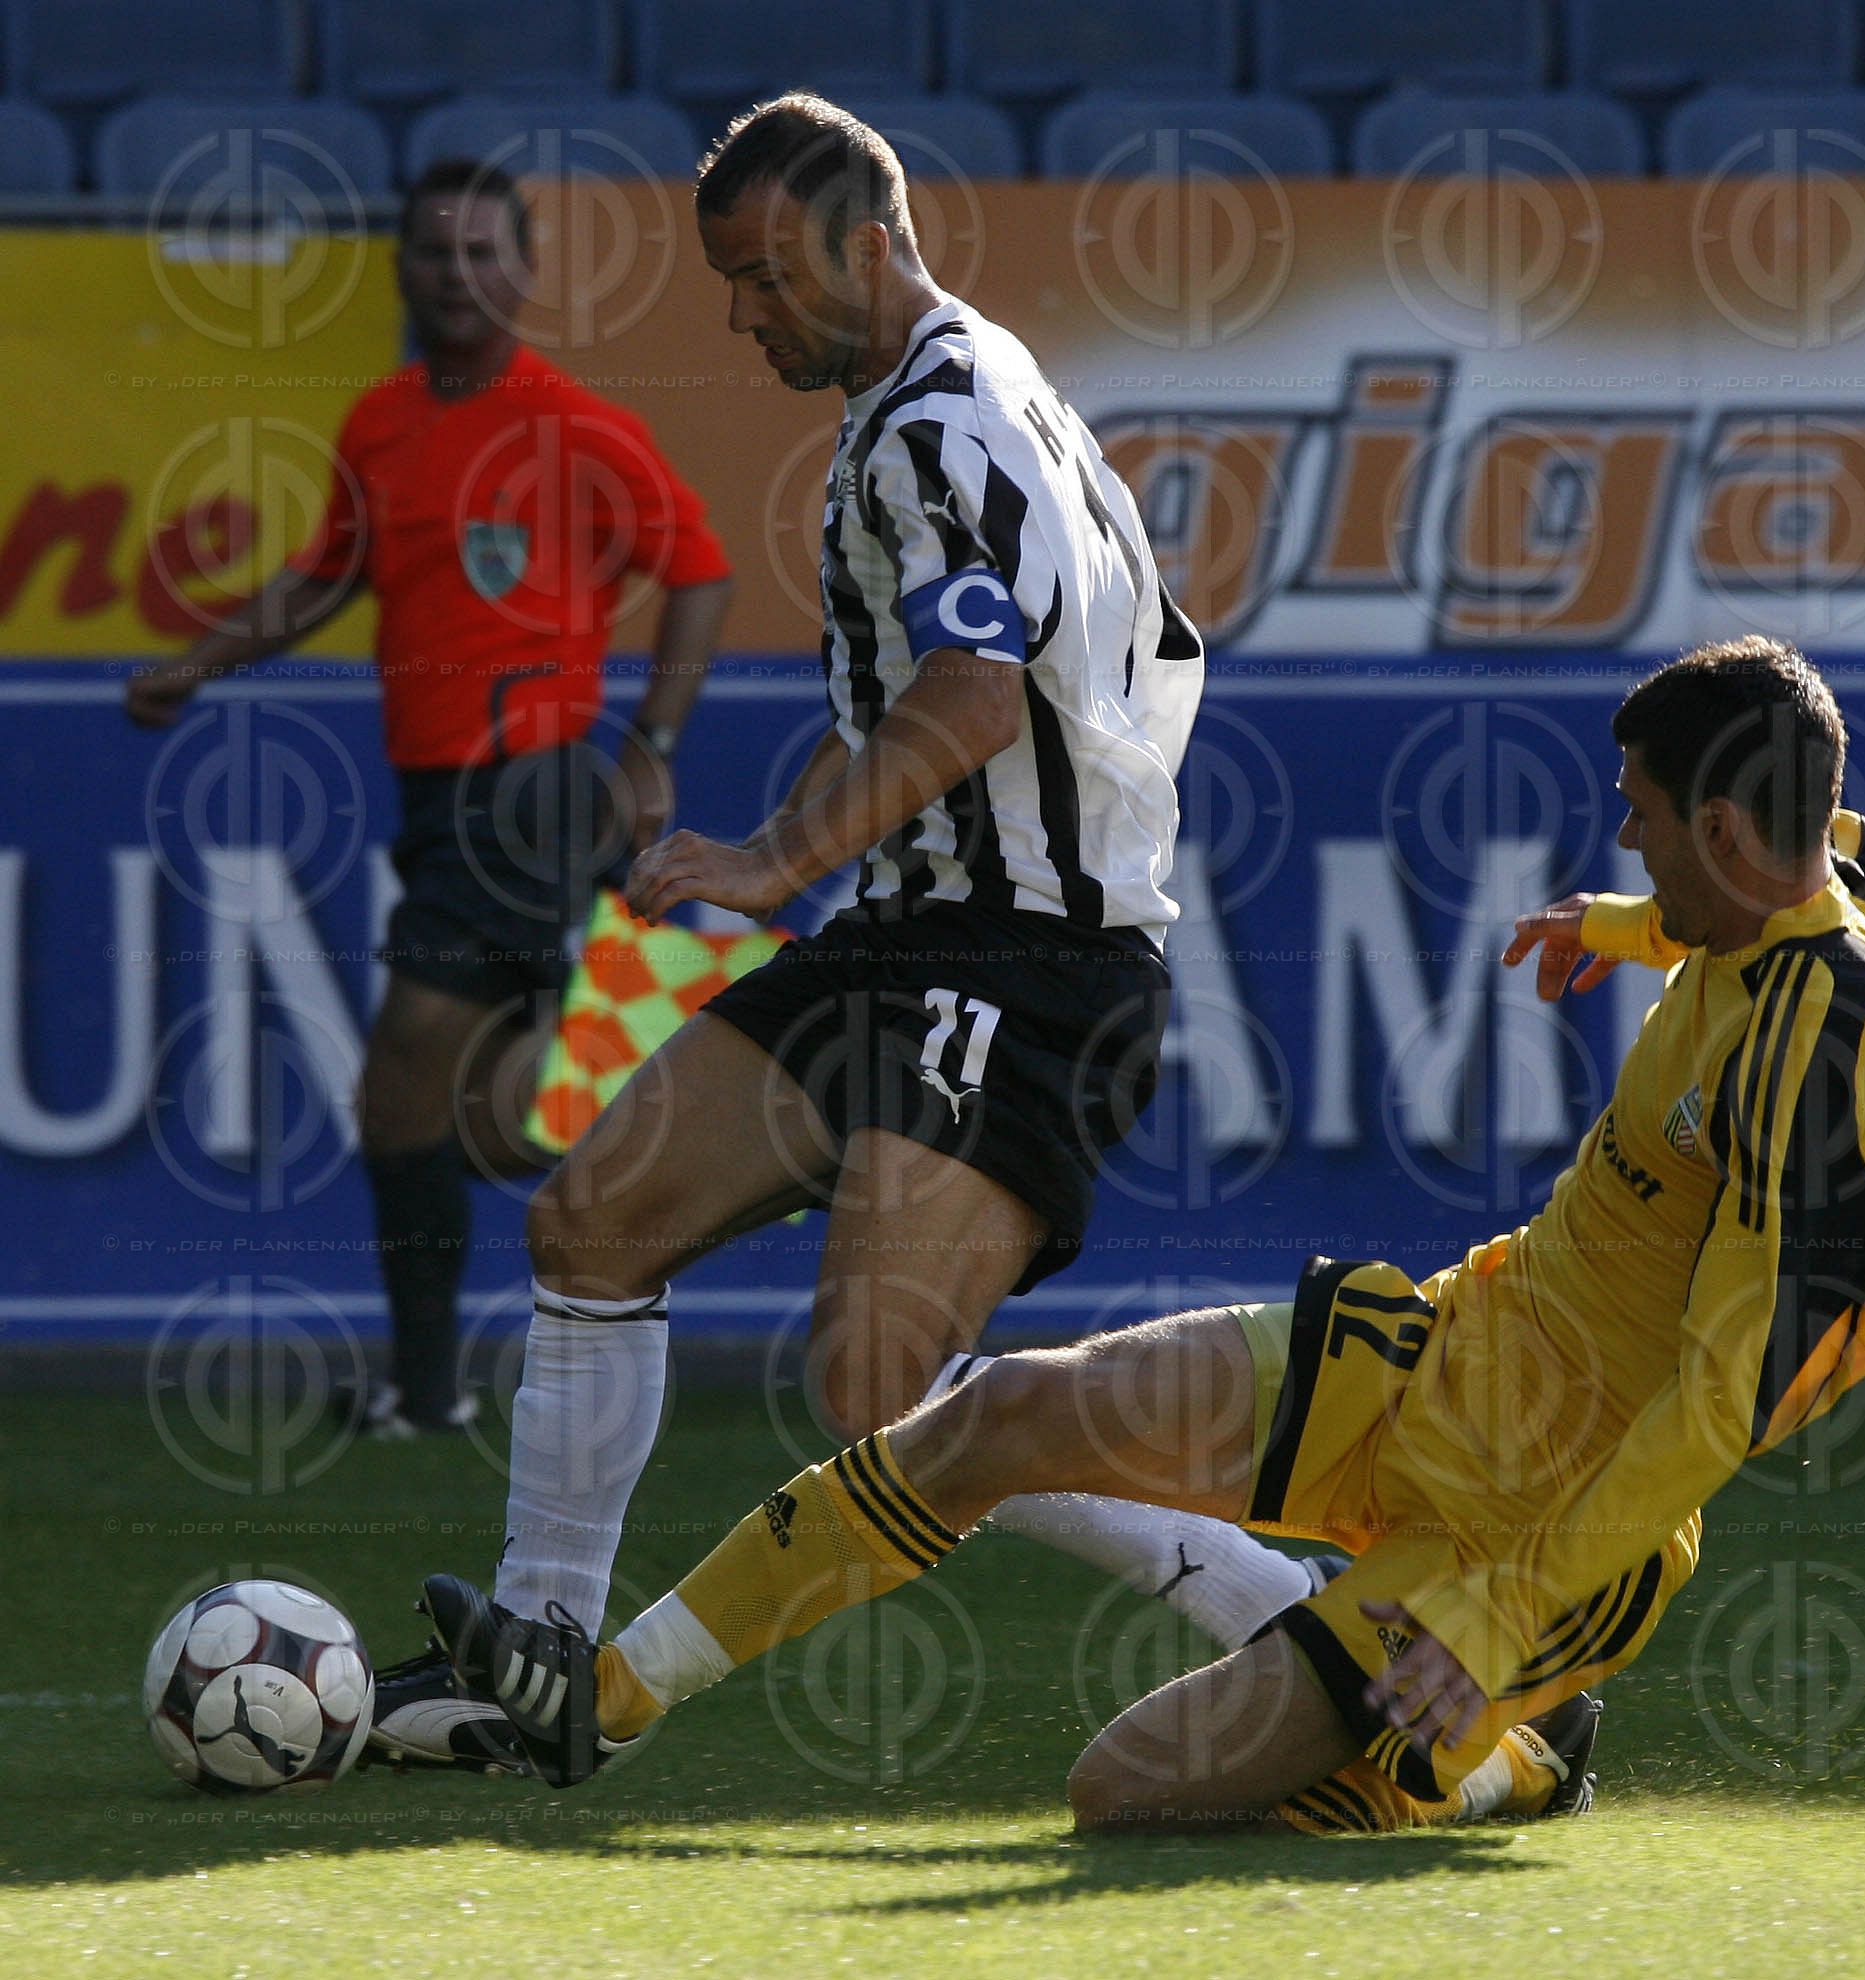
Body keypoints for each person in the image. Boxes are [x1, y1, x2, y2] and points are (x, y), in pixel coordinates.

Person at [422, 639, 1865, 1831]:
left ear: (1717, 822)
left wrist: (1498, 1612)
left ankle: (1504, 1754)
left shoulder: (1831, 1050)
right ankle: (609, 1694)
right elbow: (1820, 856)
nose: (1620, 841)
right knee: (1002, 1411)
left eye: (1639, 827)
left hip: (1538, 1536)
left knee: (1123, 1792)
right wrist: (1626, 925)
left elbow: (1719, 1398)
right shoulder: (1815, 874)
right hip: (1450, 1348)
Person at [412, 92, 1340, 1773]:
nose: (746, 313)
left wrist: (772, 858)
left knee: (883, 1401)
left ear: (872, 239)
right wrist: (805, 863)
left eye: (768, 276)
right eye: (728, 283)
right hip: (915, 938)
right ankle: (539, 1653)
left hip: (1025, 957)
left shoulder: (938, 426)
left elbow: (978, 695)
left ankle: (1286, 1615)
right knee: (592, 1219)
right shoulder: (979, 391)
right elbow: (958, 687)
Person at [125, 159, 733, 1761]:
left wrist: (652, 744)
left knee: (406, 1075)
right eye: (433, 247)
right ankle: (676, 1081)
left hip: (528, 787)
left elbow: (699, 565)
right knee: (480, 1115)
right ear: (402, 266)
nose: (456, 270)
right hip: (442, 798)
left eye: (483, 248)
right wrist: (201, 659)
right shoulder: (386, 425)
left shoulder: (573, 422)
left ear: (522, 274)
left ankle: (430, 1380)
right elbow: (328, 574)